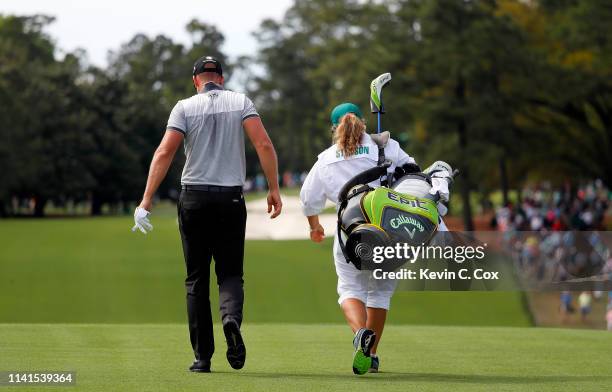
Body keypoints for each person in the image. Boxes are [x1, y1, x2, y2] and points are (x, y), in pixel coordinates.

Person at [132, 56, 282, 373]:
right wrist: (273, 188)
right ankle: (230, 319)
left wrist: (145, 200)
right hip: (230, 198)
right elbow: (264, 144)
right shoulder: (241, 101)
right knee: (229, 273)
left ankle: (203, 358)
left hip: (193, 199)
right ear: (222, 78)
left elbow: (164, 152)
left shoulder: (184, 107)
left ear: (196, 80)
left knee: (196, 279)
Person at [300, 102, 449, 375]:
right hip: (388, 232)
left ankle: (360, 337)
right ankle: (374, 353)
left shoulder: (325, 159)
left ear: (334, 128)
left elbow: (309, 200)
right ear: (363, 124)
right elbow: (414, 171)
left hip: (350, 235)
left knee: (349, 289)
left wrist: (315, 227)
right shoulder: (385, 146)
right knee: (378, 294)